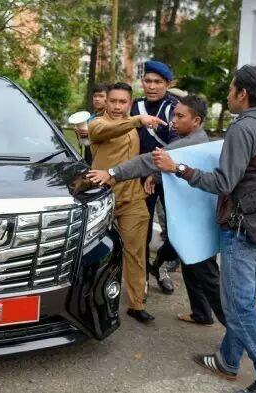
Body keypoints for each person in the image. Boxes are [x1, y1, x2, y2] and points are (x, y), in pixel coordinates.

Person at [153, 65, 256, 393]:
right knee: (244, 300)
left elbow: (223, 182)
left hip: (242, 225)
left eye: (231, 90)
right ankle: (229, 361)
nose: (228, 95)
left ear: (243, 94)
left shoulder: (244, 128)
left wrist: (179, 168)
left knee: (238, 305)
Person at [87, 95, 225, 326]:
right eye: (113, 101)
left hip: (189, 220)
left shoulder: (190, 142)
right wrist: (155, 175)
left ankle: (237, 335)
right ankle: (201, 312)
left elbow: (151, 159)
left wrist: (111, 173)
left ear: (196, 121)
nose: (173, 120)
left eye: (180, 116)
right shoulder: (99, 123)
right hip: (111, 200)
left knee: (205, 276)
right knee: (190, 264)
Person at [88, 82, 165, 324]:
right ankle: (88, 299)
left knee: (135, 252)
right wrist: (138, 120)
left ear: (130, 103)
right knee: (93, 252)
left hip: (133, 198)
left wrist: (152, 175)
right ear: (106, 101)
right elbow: (108, 132)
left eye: (123, 102)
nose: (118, 106)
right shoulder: (97, 124)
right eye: (114, 101)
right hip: (102, 198)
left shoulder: (133, 126)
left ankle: (136, 304)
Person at [131, 60, 180, 295]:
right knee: (144, 227)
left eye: (157, 82)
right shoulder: (135, 106)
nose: (151, 86)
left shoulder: (174, 108)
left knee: (176, 230)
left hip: (168, 177)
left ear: (167, 84)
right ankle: (143, 277)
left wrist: (157, 171)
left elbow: (179, 143)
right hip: (141, 178)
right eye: (147, 81)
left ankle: (160, 266)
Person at [75, 83, 109, 165]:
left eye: (101, 96)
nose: (97, 99)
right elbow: (85, 142)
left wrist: (90, 132)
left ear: (108, 98)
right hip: (89, 157)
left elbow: (108, 135)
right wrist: (79, 133)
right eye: (95, 96)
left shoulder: (110, 116)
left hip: (103, 160)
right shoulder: (90, 117)